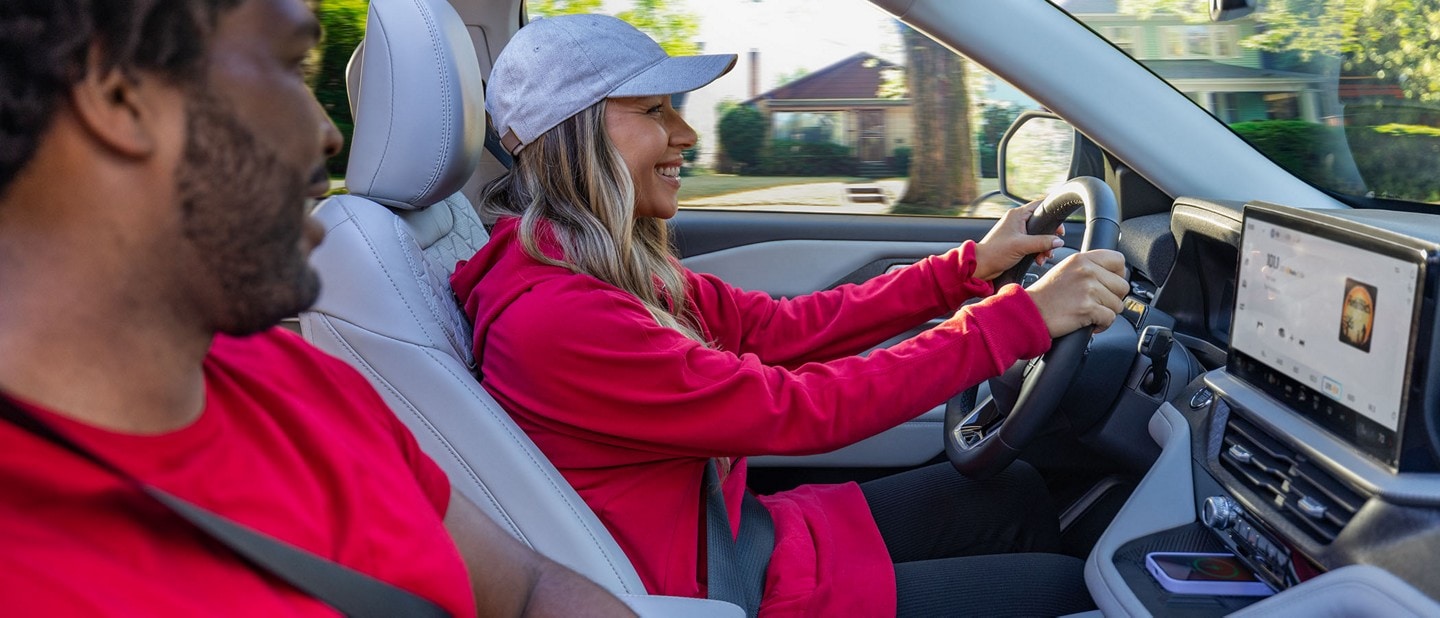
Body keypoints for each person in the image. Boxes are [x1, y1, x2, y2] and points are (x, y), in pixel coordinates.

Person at [451, 13, 1131, 618]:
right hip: (717, 585)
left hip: (733, 531)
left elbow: (783, 329)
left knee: (1010, 490)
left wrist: (967, 270)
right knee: (1060, 588)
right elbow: (799, 409)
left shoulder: (595, 268)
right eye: (656, 110)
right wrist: (1023, 319)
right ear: (574, 137)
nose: (686, 133)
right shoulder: (560, 317)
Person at [0, 1, 636, 615]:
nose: (329, 134)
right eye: (291, 67)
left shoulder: (296, 378)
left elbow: (524, 589)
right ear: (120, 96)